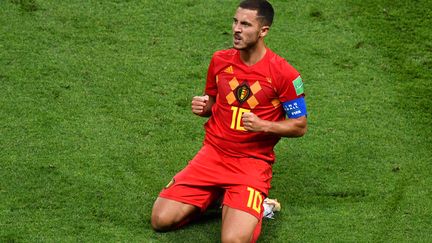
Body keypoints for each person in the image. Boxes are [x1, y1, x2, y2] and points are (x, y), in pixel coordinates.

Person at [151, 0, 307, 242]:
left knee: (233, 241)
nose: (236, 29)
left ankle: (259, 207)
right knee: (160, 220)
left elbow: (299, 126)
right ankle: (221, 198)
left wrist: (264, 125)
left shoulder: (284, 74)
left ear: (263, 31)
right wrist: (204, 106)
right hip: (212, 155)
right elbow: (215, 103)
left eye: (245, 24)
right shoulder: (220, 60)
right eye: (235, 21)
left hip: (251, 164)